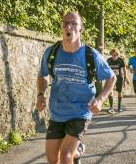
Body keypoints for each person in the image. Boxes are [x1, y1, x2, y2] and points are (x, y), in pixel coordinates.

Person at [36, 12, 116, 164]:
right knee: (52, 159)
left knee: (65, 156)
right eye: (66, 23)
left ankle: (74, 152)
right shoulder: (51, 52)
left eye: (73, 23)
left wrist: (100, 99)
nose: (69, 26)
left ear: (81, 29)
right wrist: (40, 95)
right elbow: (43, 75)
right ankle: (78, 151)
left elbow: (112, 77)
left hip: (81, 111)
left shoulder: (91, 55)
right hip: (57, 111)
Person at [107, 48, 128, 113]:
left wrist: (125, 78)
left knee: (119, 91)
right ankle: (111, 107)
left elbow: (124, 70)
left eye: (116, 54)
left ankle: (119, 107)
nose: (115, 55)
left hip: (119, 78)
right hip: (111, 78)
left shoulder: (120, 60)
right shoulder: (108, 60)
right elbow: (106, 69)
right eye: (113, 54)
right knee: (110, 91)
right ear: (111, 54)